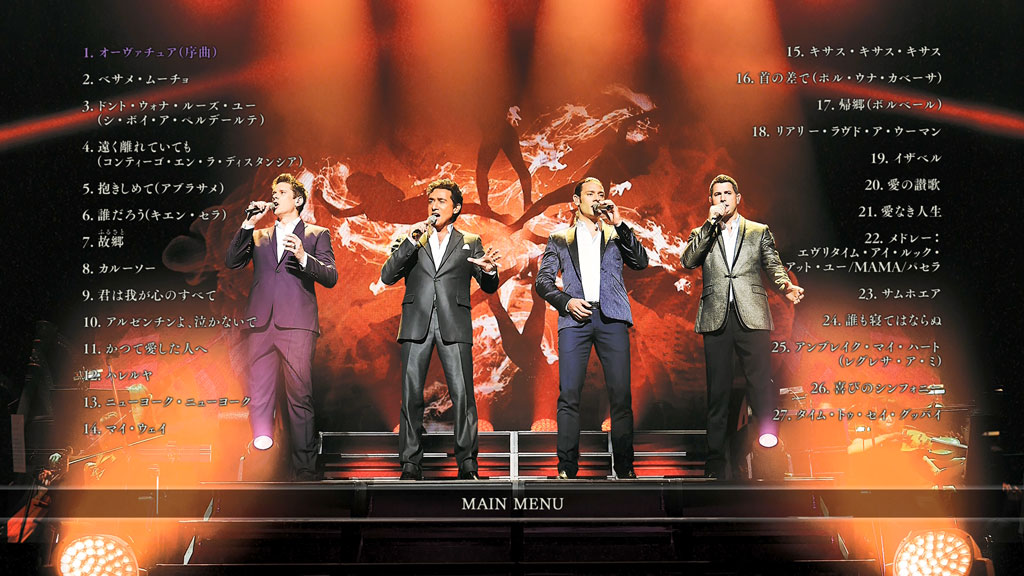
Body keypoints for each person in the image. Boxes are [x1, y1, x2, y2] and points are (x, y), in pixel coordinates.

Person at [681, 174, 804, 479]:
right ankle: (715, 464)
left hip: (752, 316)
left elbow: (773, 264)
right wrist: (709, 224)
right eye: (717, 194)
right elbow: (689, 260)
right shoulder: (702, 232)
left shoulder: (758, 231)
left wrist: (786, 286)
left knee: (760, 389)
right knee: (718, 393)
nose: (722, 198)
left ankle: (769, 461)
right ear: (711, 200)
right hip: (716, 317)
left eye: (727, 193)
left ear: (738, 198)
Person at [380, 178, 501, 480]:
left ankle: (467, 463)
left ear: (456, 208)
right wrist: (411, 241)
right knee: (411, 395)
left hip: (453, 322)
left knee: (462, 395)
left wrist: (490, 271)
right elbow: (388, 275)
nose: (434, 206)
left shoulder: (470, 240)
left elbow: (488, 285)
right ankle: (410, 463)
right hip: (416, 322)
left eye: (441, 201)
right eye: (431, 201)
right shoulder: (412, 238)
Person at [225, 173, 338, 481]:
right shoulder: (259, 235)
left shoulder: (316, 233)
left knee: (299, 396)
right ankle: (263, 466)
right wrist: (248, 223)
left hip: (297, 325)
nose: (274, 197)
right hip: (261, 323)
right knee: (260, 395)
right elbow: (232, 261)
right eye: (273, 193)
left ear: (297, 200)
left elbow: (330, 276)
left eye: (282, 192)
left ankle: (304, 468)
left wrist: (303, 256)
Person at [535, 177, 649, 479]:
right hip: (575, 319)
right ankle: (567, 467)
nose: (597, 198)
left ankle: (624, 467)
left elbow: (640, 262)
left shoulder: (615, 233)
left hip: (612, 319)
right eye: (590, 194)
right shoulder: (560, 238)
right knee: (569, 394)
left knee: (620, 395)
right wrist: (566, 302)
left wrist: (620, 223)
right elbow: (543, 282)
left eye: (601, 193)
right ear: (577, 201)